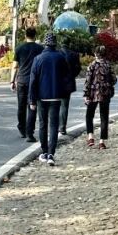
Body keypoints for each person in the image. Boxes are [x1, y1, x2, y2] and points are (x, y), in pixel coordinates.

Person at [28, 31, 71, 165]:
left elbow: (33, 80)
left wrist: (32, 99)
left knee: (42, 124)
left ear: (45, 44)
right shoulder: (61, 57)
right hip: (56, 96)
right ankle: (51, 154)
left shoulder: (38, 59)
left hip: (42, 96)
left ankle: (44, 151)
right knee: (54, 125)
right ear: (55, 43)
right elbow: (66, 77)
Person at [10, 27, 42, 141]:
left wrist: (12, 81)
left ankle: (21, 128)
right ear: (35, 35)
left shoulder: (19, 48)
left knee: (21, 105)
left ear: (25, 35)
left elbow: (15, 66)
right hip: (34, 81)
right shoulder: (40, 49)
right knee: (32, 106)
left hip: (21, 80)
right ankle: (30, 133)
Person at [84, 43, 117, 149]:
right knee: (104, 117)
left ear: (95, 54)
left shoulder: (92, 65)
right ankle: (102, 142)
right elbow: (114, 80)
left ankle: (90, 137)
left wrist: (86, 94)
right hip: (105, 94)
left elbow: (88, 81)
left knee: (89, 115)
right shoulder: (108, 65)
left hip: (93, 93)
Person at [59, 42, 82, 135]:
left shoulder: (57, 53)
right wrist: (72, 76)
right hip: (68, 82)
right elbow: (78, 68)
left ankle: (56, 125)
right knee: (64, 106)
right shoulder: (74, 54)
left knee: (55, 105)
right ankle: (62, 127)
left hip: (57, 82)